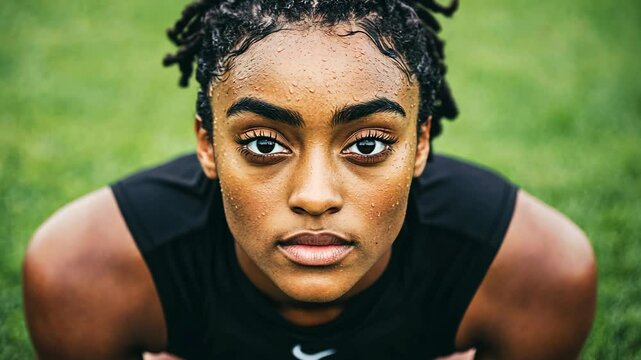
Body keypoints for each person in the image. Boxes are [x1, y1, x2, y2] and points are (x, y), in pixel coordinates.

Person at [22, 0, 596, 359]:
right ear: (208, 144)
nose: (316, 196)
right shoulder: (87, 274)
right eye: (265, 144)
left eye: (367, 145)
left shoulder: (532, 273)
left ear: (421, 143)